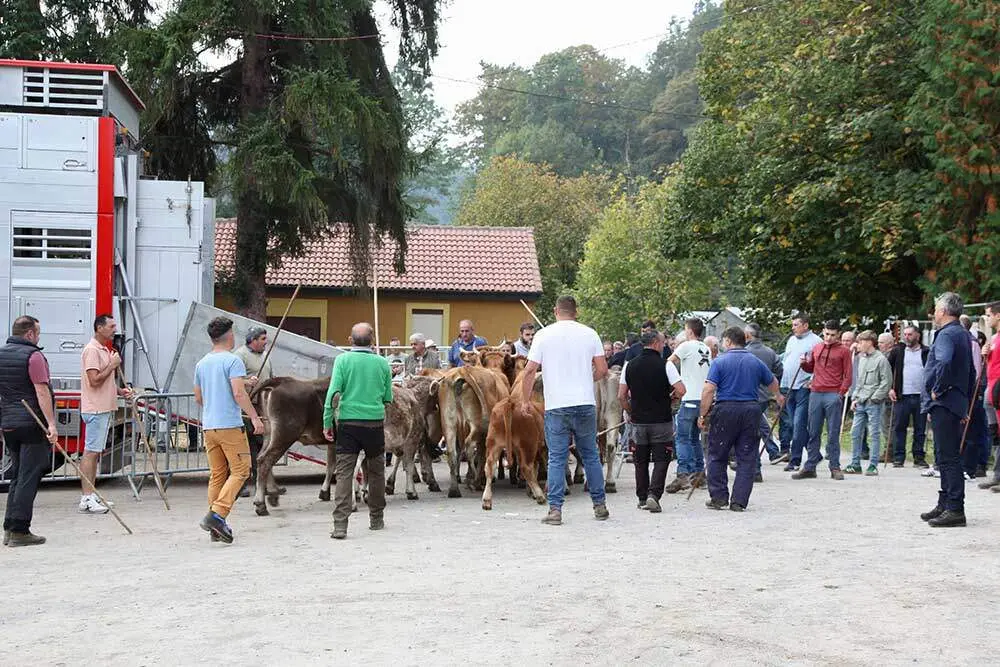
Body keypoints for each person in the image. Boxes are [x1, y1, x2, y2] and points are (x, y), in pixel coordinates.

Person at [519, 295, 609, 525]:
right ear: (576, 312)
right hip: (585, 403)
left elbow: (529, 371)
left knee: (557, 458)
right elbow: (602, 369)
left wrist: (525, 401)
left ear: (555, 311)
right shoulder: (590, 334)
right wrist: (587, 379)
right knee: (590, 455)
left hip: (557, 405)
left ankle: (555, 510)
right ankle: (599, 505)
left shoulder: (543, 335)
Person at [193, 317, 265, 544]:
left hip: (209, 425)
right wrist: (255, 417)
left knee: (217, 474)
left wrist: (243, 382)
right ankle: (217, 515)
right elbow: (238, 394)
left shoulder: (202, 363)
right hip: (230, 425)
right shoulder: (233, 361)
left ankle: (215, 525)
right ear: (230, 335)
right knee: (241, 471)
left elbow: (199, 397)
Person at [698, 327, 783, 511]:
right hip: (751, 410)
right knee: (747, 456)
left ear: (728, 341)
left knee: (717, 454)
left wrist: (703, 414)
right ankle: (739, 501)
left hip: (725, 409)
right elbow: (773, 382)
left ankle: (719, 497)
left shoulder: (720, 362)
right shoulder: (755, 362)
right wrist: (778, 397)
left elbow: (708, 390)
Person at [323, 322, 394, 539]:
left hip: (348, 424)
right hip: (374, 424)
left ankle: (340, 525)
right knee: (377, 472)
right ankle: (376, 518)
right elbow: (388, 398)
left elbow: (333, 393)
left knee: (344, 473)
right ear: (373, 341)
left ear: (350, 340)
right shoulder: (382, 363)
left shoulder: (342, 360)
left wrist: (327, 421)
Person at [1, 316, 58, 547]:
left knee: (17, 475)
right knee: (28, 477)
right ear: (30, 334)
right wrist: (51, 424)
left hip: (9, 424)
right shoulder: (33, 356)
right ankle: (20, 530)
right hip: (32, 423)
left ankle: (9, 527)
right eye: (38, 333)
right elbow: (41, 391)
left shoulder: (1, 354)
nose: (38, 337)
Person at [920, 293, 976, 527]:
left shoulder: (946, 334)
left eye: (936, 309)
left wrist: (938, 389)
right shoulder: (962, 333)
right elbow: (971, 372)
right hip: (955, 401)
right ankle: (945, 502)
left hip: (945, 401)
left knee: (948, 456)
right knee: (944, 455)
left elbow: (943, 362)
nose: (934, 313)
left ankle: (954, 508)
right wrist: (965, 401)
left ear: (943, 311)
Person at [618, 330, 685, 513]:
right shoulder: (666, 365)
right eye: (663, 343)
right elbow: (681, 390)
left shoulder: (629, 366)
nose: (664, 346)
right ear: (655, 343)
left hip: (638, 422)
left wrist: (631, 411)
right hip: (661, 421)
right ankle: (653, 495)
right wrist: (672, 398)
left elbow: (621, 396)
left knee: (640, 461)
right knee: (661, 459)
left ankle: (641, 498)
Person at [79, 314, 133, 515]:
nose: (114, 330)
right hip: (95, 408)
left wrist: (120, 391)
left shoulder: (103, 349)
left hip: (103, 407)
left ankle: (91, 494)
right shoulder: (92, 350)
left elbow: (104, 380)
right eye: (111, 326)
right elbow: (94, 380)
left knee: (95, 453)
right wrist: (112, 365)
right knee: (91, 453)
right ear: (99, 328)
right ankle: (86, 497)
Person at [793, 319, 852, 481]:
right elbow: (811, 368)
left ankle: (835, 466)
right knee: (813, 431)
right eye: (826, 334)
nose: (829, 338)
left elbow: (848, 375)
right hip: (816, 393)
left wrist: (841, 393)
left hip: (833, 393)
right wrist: (804, 364)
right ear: (823, 332)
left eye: (832, 335)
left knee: (833, 432)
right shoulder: (817, 347)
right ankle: (810, 466)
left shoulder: (844, 351)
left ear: (838, 335)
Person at [666, 318, 711, 493]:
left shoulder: (685, 346)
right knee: (695, 438)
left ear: (690, 331)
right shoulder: (706, 348)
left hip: (689, 397)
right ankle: (699, 474)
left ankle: (683, 473)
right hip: (703, 399)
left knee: (682, 438)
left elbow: (669, 363)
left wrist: (675, 384)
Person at [233, 326, 273, 498]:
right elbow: (232, 380)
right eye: (263, 339)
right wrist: (247, 382)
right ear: (253, 340)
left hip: (262, 406)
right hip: (245, 408)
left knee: (262, 445)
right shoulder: (239, 356)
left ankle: (263, 483)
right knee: (246, 447)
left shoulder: (265, 355)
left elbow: (270, 377)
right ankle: (239, 485)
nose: (266, 342)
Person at [778, 314, 822, 470]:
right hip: (789, 386)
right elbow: (786, 360)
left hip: (803, 386)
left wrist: (813, 379)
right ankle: (815, 454)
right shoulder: (791, 340)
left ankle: (795, 460)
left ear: (805, 325)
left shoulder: (816, 341)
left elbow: (820, 364)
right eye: (793, 325)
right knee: (794, 424)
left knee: (798, 424)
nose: (793, 328)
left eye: (796, 325)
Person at [845, 331, 891, 475]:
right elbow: (859, 382)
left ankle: (873, 465)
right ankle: (855, 463)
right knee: (855, 432)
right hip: (860, 400)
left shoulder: (881, 359)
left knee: (874, 433)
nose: (858, 345)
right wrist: (854, 398)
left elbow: (886, 382)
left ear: (869, 342)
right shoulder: (862, 359)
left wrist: (875, 398)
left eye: (861, 342)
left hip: (873, 402)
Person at [886, 325, 929, 467]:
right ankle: (899, 457)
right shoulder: (898, 351)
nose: (907, 337)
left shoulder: (926, 352)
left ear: (918, 335)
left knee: (920, 429)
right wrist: (890, 388)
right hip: (902, 395)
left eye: (910, 334)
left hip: (921, 396)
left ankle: (919, 457)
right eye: (905, 334)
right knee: (899, 427)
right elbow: (887, 370)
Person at [745, 323, 785, 472]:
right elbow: (779, 370)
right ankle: (773, 451)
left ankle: (754, 466)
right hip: (764, 395)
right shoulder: (770, 352)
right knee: (760, 424)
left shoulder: (745, 352)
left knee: (749, 431)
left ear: (748, 335)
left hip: (748, 396)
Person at [959, 315, 987, 478]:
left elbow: (975, 372)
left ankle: (969, 467)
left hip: (969, 392)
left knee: (970, 431)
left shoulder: (972, 344)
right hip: (958, 392)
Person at [979, 301, 1000, 491]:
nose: (987, 319)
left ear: (998, 315)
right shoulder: (994, 338)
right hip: (990, 388)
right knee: (995, 432)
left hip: (998, 388)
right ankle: (997, 474)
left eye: (988, 315)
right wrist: (985, 354)